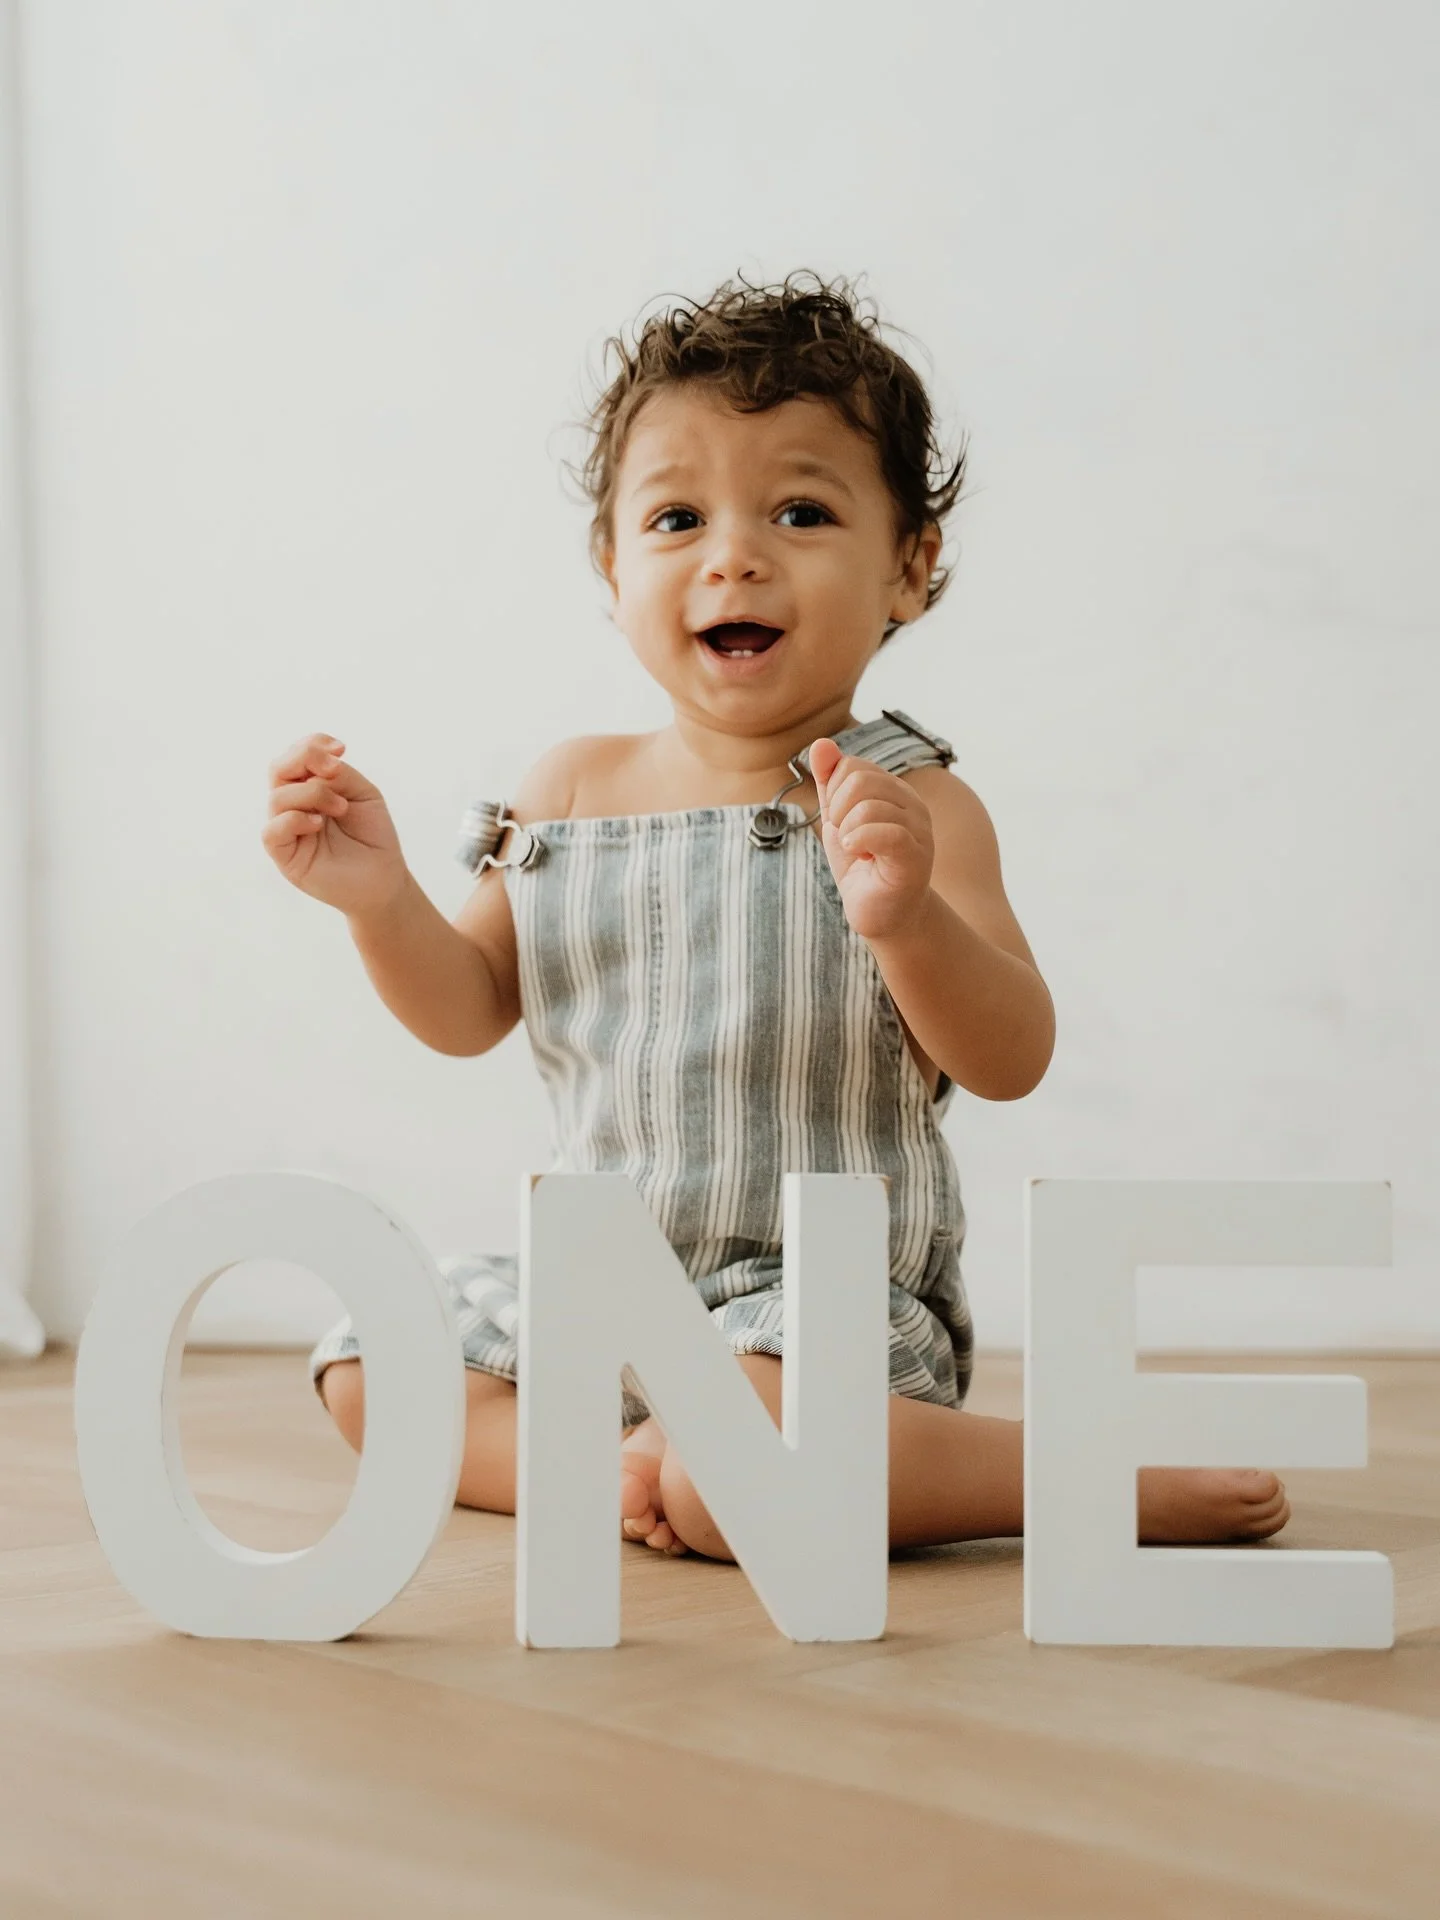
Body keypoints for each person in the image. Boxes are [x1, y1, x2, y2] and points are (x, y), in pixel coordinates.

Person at [262, 270, 1290, 1560]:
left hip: (812, 1314)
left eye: (801, 511)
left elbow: (1009, 1056)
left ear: (908, 570)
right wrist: (376, 899)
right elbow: (467, 1009)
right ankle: (651, 1471)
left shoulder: (912, 804)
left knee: (756, 1440)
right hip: (605, 1292)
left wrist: (907, 917)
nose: (734, 553)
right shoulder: (567, 788)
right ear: (612, 562)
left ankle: (1071, 1477)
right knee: (368, 1363)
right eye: (679, 515)